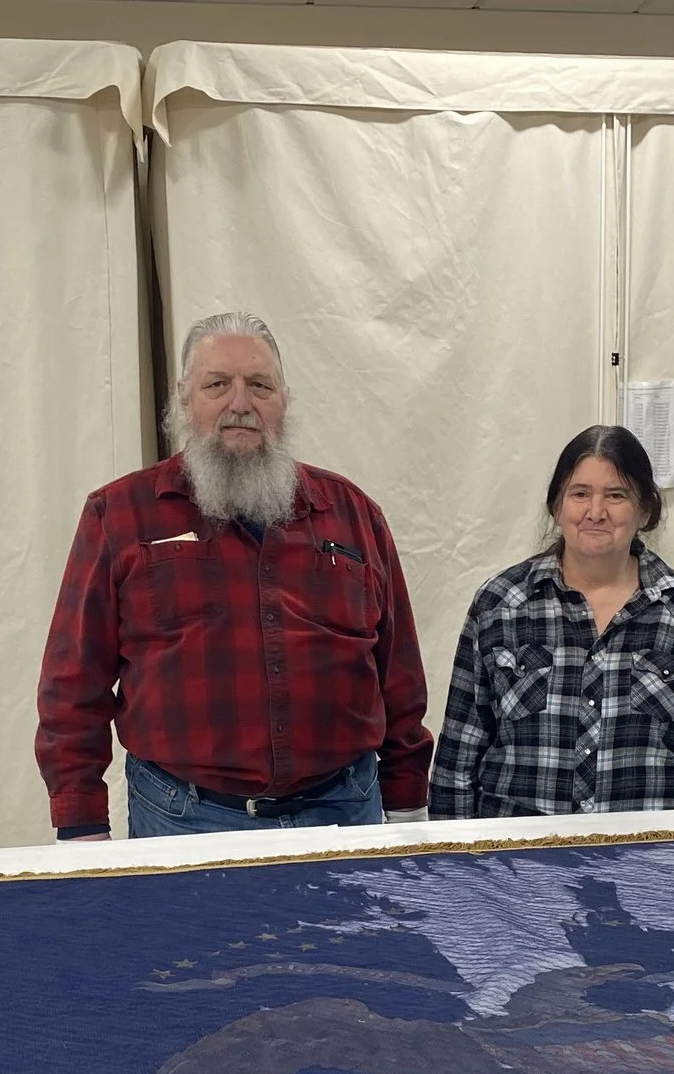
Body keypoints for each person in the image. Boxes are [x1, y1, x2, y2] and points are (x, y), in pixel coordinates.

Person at [37, 310, 432, 840]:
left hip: (344, 813)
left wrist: (408, 810)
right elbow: (73, 682)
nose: (240, 403)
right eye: (217, 384)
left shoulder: (354, 515)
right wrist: (80, 822)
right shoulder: (119, 516)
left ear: (285, 400)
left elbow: (399, 676)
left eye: (259, 385)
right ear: (184, 399)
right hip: (182, 820)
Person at [431, 424, 674, 819]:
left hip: (660, 852)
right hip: (521, 853)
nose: (596, 512)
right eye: (580, 494)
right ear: (556, 506)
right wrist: (452, 852)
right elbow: (458, 759)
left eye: (616, 495)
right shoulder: (500, 605)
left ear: (645, 511)